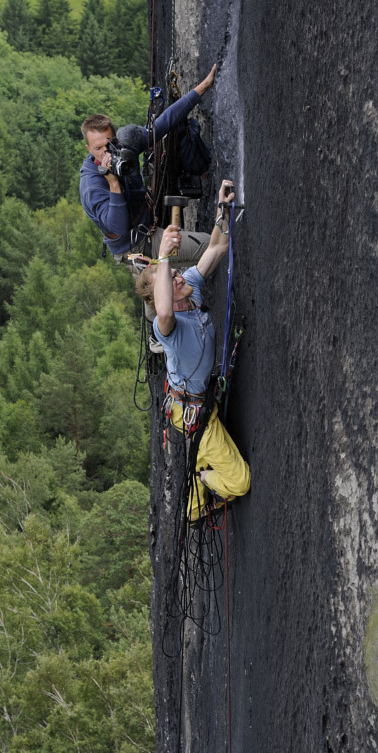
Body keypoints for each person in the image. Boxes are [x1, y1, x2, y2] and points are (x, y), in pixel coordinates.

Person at [134, 179, 251, 521]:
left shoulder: (191, 287)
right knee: (239, 481)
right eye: (170, 278)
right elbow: (166, 310)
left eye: (174, 274)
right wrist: (163, 256)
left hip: (191, 407)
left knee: (196, 489)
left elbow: (217, 248)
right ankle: (203, 478)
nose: (178, 277)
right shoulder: (165, 328)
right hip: (194, 416)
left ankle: (197, 484)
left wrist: (220, 210)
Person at [79, 64, 217, 267]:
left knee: (183, 273)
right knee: (212, 245)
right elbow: (118, 226)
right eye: (98, 148)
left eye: (110, 143)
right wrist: (113, 183)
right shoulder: (92, 187)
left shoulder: (123, 150)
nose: (106, 152)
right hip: (138, 246)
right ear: (88, 149)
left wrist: (203, 88)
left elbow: (163, 124)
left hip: (148, 223)